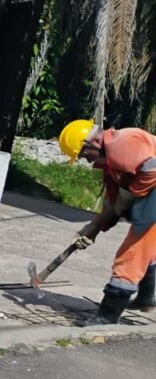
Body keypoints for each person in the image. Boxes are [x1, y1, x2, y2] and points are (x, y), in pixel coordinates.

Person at [59, 119, 156, 324]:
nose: (86, 160)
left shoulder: (123, 142)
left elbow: (151, 169)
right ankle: (146, 299)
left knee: (132, 253)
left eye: (84, 154)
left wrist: (131, 194)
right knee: (148, 248)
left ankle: (106, 317)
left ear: (93, 142)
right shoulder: (111, 162)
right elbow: (112, 203)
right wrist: (94, 227)